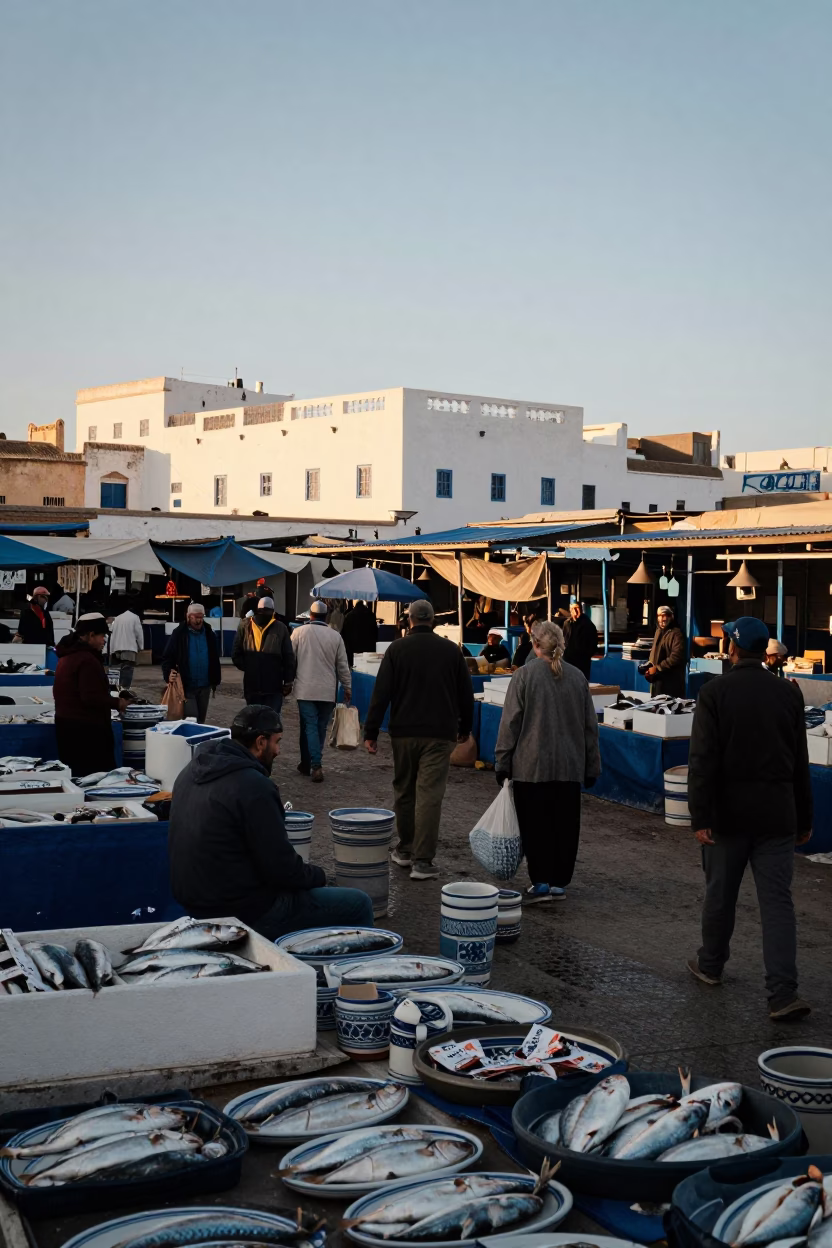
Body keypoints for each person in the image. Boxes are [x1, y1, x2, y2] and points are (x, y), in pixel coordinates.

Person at [687, 617, 812, 1020]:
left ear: (733, 649)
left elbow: (702, 759)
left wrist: (700, 815)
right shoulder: (788, 695)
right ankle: (782, 994)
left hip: (728, 815)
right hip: (777, 815)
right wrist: (804, 817)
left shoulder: (714, 692)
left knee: (720, 894)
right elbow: (800, 763)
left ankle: (710, 966)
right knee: (777, 904)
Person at [168, 704, 374, 939]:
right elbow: (282, 870)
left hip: (194, 902)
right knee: (358, 903)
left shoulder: (190, 771)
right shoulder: (253, 786)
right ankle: (350, 974)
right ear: (260, 742)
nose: (278, 751)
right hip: (243, 910)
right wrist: (320, 876)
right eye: (277, 742)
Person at [364, 599, 474, 881]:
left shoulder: (397, 649)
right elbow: (466, 694)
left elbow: (381, 693)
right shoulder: (452, 651)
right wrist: (465, 727)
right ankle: (422, 862)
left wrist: (371, 732)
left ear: (409, 619)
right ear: (433, 620)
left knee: (404, 790)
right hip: (440, 734)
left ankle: (405, 849)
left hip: (404, 732)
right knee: (429, 795)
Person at [495, 620, 601, 902]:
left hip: (532, 766)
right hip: (569, 766)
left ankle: (540, 881)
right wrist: (592, 766)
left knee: (535, 826)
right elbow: (590, 727)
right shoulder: (578, 677)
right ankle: (558, 882)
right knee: (564, 826)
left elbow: (510, 723)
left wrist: (502, 761)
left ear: (536, 644)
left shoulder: (524, 676)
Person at [53, 614, 129, 775]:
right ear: (90, 635)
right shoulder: (86, 659)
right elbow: (91, 697)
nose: (104, 641)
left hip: (67, 727)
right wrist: (118, 703)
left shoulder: (68, 655)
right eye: (102, 636)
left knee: (76, 776)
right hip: (86, 733)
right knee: (93, 779)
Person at [291, 598, 351, 781]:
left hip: (305, 689)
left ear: (310, 615)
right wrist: (347, 686)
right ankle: (311, 762)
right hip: (327, 690)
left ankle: (314, 764)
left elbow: (290, 661)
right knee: (320, 727)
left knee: (310, 726)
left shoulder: (298, 633)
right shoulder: (335, 636)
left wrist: (286, 682)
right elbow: (342, 665)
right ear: (326, 616)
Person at [232, 596, 294, 712]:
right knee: (271, 722)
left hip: (256, 685)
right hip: (271, 685)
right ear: (273, 611)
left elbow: (236, 654)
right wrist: (288, 681)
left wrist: (251, 667)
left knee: (255, 721)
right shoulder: (281, 628)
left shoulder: (245, 625)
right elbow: (288, 657)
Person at [161, 603, 221, 724]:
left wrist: (215, 678)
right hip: (187, 685)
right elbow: (167, 656)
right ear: (188, 617)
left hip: (205, 685)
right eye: (195, 617)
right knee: (191, 718)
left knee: (201, 720)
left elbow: (214, 657)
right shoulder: (179, 633)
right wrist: (168, 672)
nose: (198, 621)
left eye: (201, 617)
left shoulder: (209, 633)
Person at [645, 605, 686, 697]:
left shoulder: (676, 634)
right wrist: (649, 667)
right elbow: (654, 652)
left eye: (664, 615)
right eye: (659, 615)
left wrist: (658, 668)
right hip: (657, 680)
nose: (662, 619)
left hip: (670, 681)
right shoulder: (658, 631)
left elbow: (676, 657)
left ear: (671, 617)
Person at [109, 604, 145, 690]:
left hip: (116, 647)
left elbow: (112, 633)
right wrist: (141, 647)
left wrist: (111, 649)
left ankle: (113, 690)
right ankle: (124, 690)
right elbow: (139, 634)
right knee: (127, 669)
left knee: (115, 671)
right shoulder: (135, 618)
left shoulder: (117, 618)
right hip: (129, 647)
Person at [562, 602, 599, 680]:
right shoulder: (567, 624)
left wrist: (584, 656)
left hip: (582, 663)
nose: (575, 611)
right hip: (568, 661)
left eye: (577, 608)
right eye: (572, 609)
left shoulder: (588, 625)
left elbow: (593, 645)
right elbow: (564, 640)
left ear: (581, 610)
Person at [341, 600, 378, 665]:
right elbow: (375, 632)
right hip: (368, 648)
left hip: (353, 648)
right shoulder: (371, 615)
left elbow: (344, 634)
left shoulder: (349, 616)